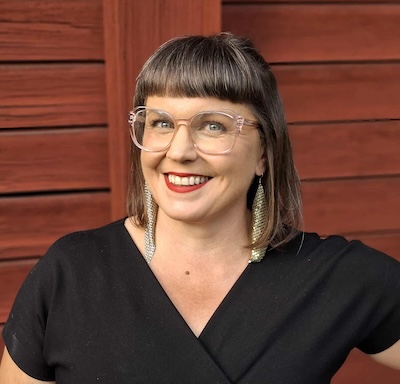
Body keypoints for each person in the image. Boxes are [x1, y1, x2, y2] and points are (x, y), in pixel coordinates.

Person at [0, 33, 399, 384]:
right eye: (160, 123)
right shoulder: (70, 274)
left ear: (264, 152)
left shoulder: (335, 277)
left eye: (213, 125)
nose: (179, 151)